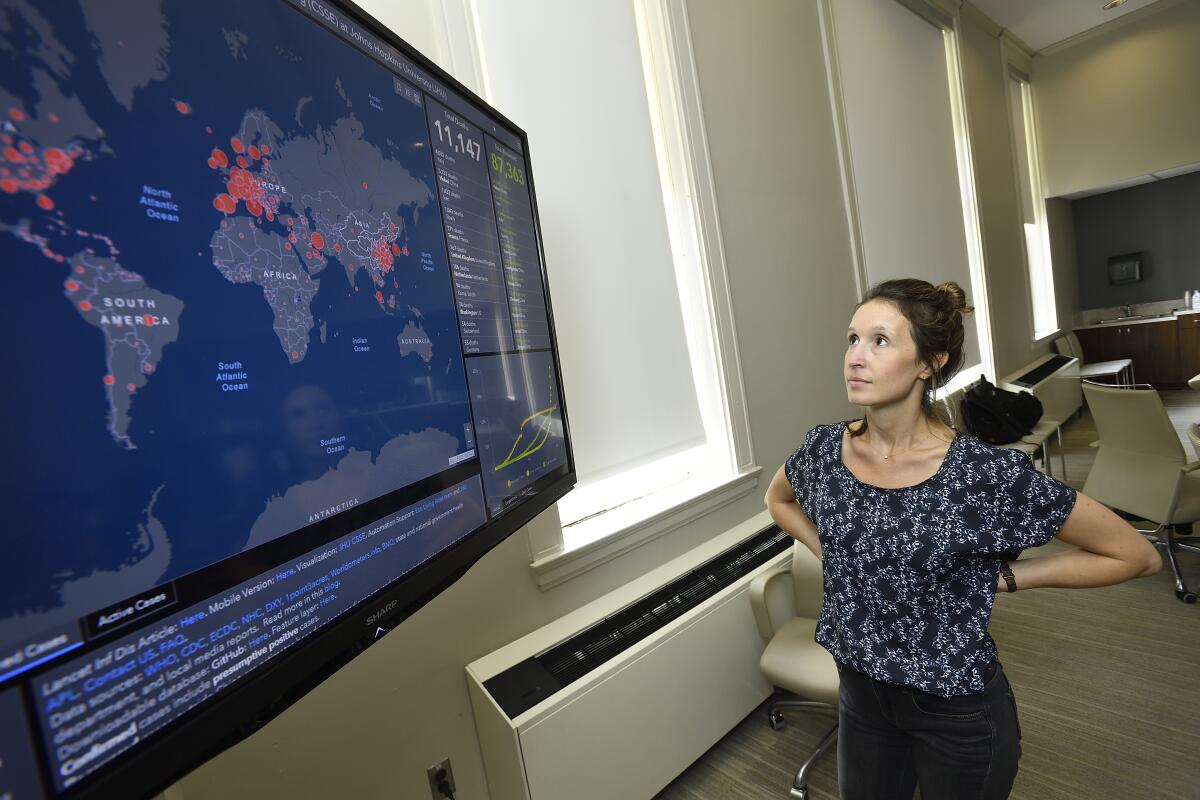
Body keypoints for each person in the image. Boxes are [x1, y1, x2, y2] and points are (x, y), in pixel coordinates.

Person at [763, 278, 1162, 800]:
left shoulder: (982, 474)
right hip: (859, 695)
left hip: (953, 709)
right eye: (852, 339)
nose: (855, 358)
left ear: (930, 362)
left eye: (880, 341)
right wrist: (829, 549)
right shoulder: (823, 449)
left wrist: (1011, 578)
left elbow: (1136, 554)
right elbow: (778, 500)